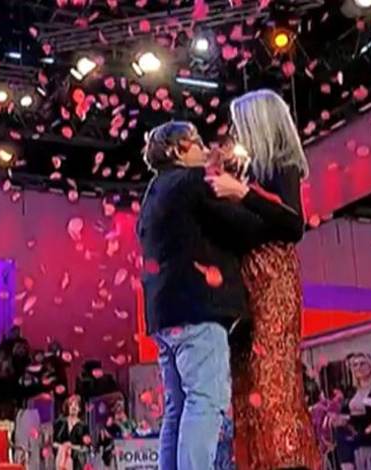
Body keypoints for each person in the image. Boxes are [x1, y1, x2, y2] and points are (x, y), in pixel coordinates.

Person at [136, 120, 273, 469]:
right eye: (197, 142)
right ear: (178, 149)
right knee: (206, 401)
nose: (204, 148)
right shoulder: (193, 182)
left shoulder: (153, 195)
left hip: (163, 316)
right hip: (199, 309)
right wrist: (243, 195)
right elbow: (245, 228)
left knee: (178, 408)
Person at [205, 88, 321, 470]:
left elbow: (292, 224)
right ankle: (255, 461)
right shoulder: (247, 173)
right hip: (245, 288)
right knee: (245, 382)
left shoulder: (282, 167)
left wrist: (242, 194)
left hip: (273, 280)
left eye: (240, 124)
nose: (235, 132)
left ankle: (287, 461)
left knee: (271, 376)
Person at [331, 353, 371, 470]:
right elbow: (345, 411)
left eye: (362, 364)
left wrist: (350, 419)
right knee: (339, 432)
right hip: (353, 428)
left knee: (348, 438)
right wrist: (338, 418)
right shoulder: (351, 391)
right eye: (355, 365)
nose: (358, 367)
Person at [53, 395, 92, 470]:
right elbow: (54, 443)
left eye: (76, 405)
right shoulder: (60, 423)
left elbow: (86, 448)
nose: (73, 407)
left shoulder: (84, 426)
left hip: (78, 463)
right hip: (61, 461)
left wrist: (71, 446)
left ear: (79, 409)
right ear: (67, 407)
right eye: (71, 404)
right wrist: (63, 447)